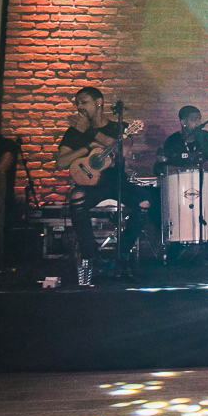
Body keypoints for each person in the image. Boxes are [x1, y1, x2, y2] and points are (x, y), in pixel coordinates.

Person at [56, 87, 149, 285]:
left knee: (144, 202)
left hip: (116, 182)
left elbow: (122, 151)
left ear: (99, 102)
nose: (79, 107)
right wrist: (84, 148)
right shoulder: (73, 132)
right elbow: (61, 163)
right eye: (77, 103)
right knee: (76, 197)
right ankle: (92, 256)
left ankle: (122, 253)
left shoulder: (119, 127)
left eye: (84, 101)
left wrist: (89, 132)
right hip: (90, 185)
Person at [155, 105, 208, 226]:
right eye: (194, 119)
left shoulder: (205, 137)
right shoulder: (173, 140)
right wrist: (195, 168)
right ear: (183, 122)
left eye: (199, 119)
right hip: (181, 184)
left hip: (205, 181)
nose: (198, 122)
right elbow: (164, 167)